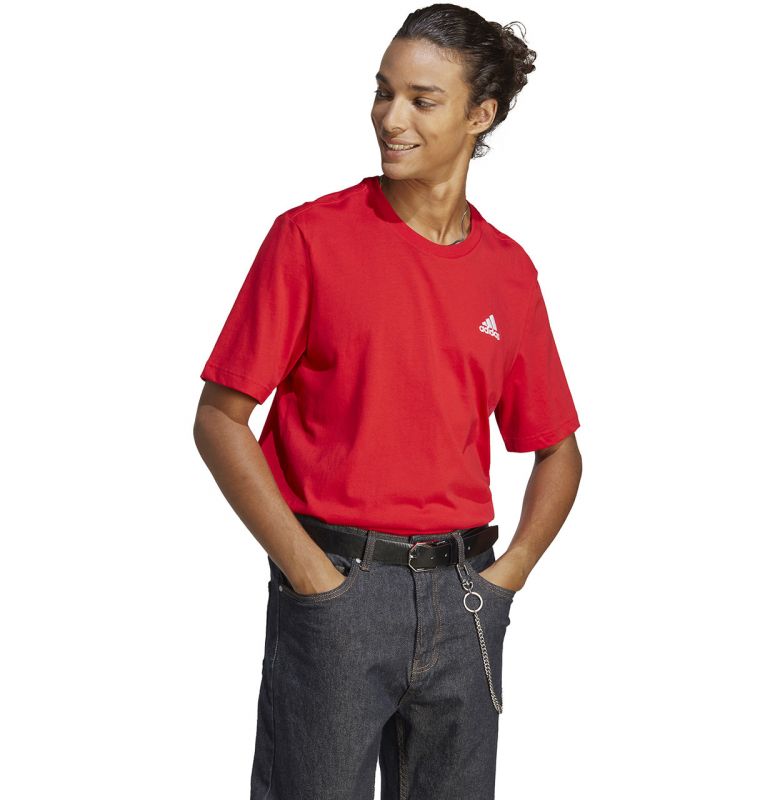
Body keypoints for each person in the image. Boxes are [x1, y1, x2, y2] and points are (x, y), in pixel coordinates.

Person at [194, 4, 583, 798]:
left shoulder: (508, 271)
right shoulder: (310, 238)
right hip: (338, 586)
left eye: (421, 99)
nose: (389, 118)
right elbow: (219, 419)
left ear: (480, 115)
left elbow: (559, 450)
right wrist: (310, 574)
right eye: (383, 91)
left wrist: (507, 577)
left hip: (466, 592)